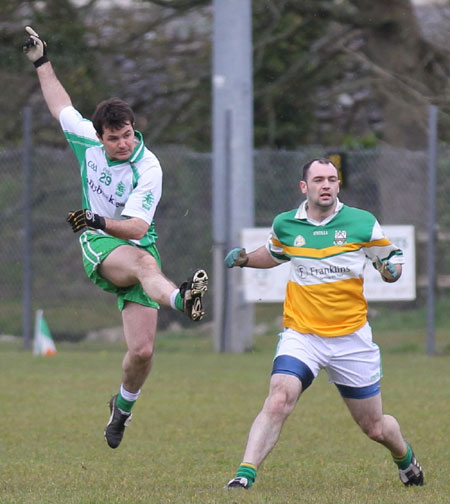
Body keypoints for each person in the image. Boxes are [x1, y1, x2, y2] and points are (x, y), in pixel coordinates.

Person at [23, 26, 208, 449]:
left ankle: (121, 410)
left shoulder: (149, 167)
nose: (123, 143)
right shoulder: (86, 140)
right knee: (144, 265)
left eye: (127, 134)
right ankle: (183, 299)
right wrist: (41, 61)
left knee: (142, 353)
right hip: (99, 243)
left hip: (128, 237)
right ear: (100, 136)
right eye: (114, 138)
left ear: (133, 129)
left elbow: (139, 230)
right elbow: (60, 105)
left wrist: (94, 217)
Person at [224, 158, 424, 488]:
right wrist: (246, 259)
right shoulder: (287, 224)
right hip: (303, 335)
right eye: (319, 179)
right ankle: (244, 475)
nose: (326, 185)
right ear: (305, 187)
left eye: (332, 179)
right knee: (278, 398)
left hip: (351, 339)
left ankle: (404, 457)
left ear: (338, 185)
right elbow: (275, 253)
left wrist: (391, 271)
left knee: (374, 427)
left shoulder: (361, 222)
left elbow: (390, 261)